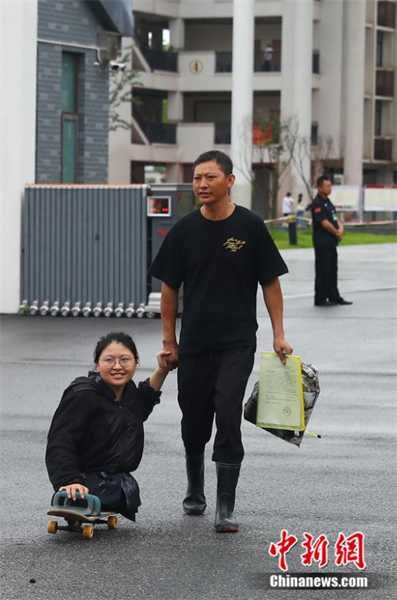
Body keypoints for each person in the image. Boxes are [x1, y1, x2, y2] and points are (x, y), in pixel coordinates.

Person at [148, 150, 293, 533]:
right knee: (194, 420)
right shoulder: (184, 230)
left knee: (228, 413)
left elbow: (270, 282)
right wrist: (169, 340)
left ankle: (225, 506)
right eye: (197, 178)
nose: (201, 185)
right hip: (194, 343)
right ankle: (195, 488)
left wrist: (278, 334)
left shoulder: (250, 226)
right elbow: (169, 288)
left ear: (229, 181)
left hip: (236, 341)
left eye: (210, 177)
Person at [46, 332, 171, 521]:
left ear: (136, 362)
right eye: (109, 360)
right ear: (97, 364)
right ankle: (74, 499)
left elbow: (143, 403)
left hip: (118, 482)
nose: (118, 366)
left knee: (115, 493)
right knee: (89, 495)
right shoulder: (82, 395)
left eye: (125, 359)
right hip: (82, 479)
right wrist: (69, 481)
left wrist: (162, 370)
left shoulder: (129, 395)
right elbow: (60, 441)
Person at [311, 176, 353, 307]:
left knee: (332, 270)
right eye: (327, 186)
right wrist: (336, 232)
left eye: (330, 186)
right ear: (319, 187)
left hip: (331, 242)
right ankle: (320, 298)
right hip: (322, 242)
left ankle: (334, 296)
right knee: (323, 270)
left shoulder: (328, 202)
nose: (330, 189)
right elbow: (324, 223)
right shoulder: (317, 203)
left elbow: (335, 219)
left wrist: (340, 228)